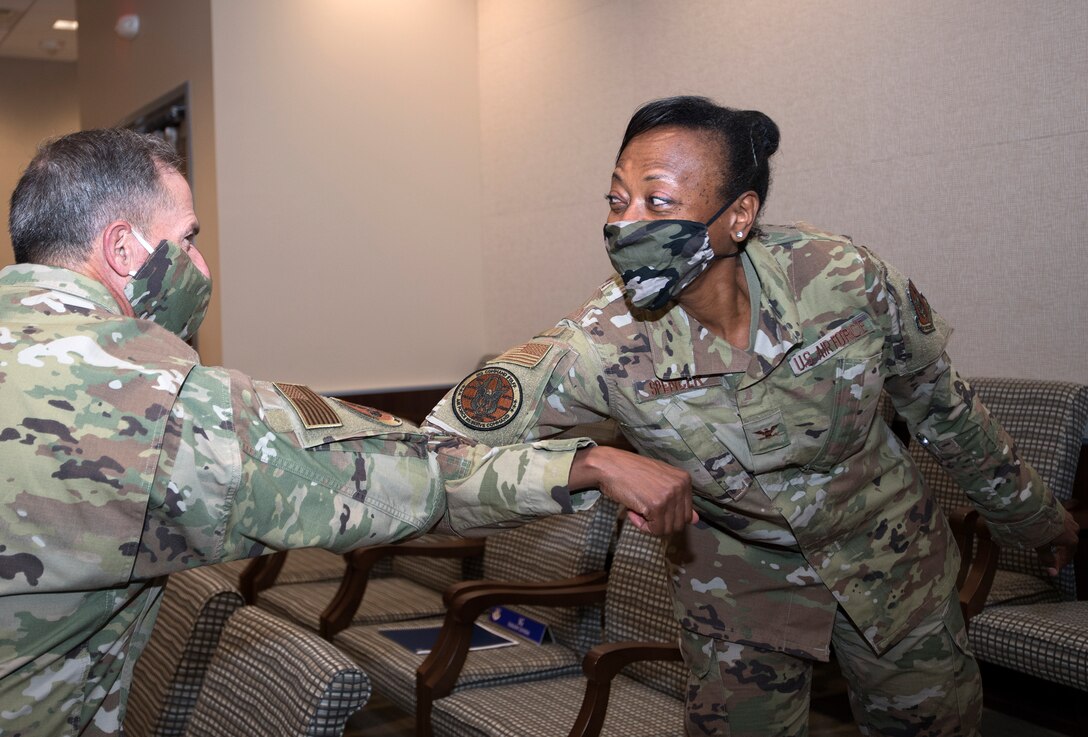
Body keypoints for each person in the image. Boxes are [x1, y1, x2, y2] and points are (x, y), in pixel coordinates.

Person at [0, 128, 694, 736]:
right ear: (123, 247)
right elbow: (417, 479)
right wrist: (590, 463)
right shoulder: (156, 411)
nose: (202, 267)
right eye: (187, 239)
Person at [427, 96, 1080, 736]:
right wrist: (589, 462)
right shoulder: (602, 344)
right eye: (616, 200)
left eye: (657, 202)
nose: (625, 226)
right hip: (735, 583)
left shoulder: (841, 280)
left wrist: (1037, 519)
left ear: (739, 215)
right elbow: (438, 454)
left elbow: (945, 408)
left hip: (889, 556)